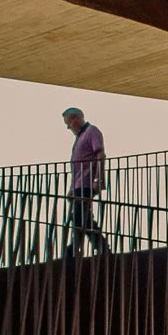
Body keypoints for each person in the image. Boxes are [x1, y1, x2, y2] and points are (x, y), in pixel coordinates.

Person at [61, 107, 110, 255]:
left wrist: (98, 179)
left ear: (77, 118)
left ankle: (75, 249)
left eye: (68, 123)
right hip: (79, 184)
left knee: (78, 216)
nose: (68, 127)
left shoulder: (91, 131)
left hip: (87, 182)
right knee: (83, 217)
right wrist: (71, 187)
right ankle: (100, 247)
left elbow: (100, 155)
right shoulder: (81, 136)